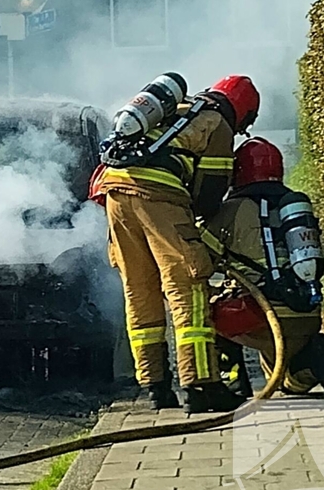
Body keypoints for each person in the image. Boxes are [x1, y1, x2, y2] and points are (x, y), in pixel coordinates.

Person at [90, 76, 261, 413]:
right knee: (187, 287)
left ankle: (155, 386)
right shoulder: (217, 123)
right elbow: (211, 191)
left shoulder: (175, 107)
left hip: (114, 191)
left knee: (140, 289)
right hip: (159, 197)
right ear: (243, 111)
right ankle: (201, 386)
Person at [207, 137, 324, 399]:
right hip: (307, 312)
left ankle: (232, 382)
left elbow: (199, 259)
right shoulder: (293, 206)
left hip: (260, 315)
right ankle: (312, 359)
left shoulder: (230, 210)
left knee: (203, 312)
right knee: (285, 380)